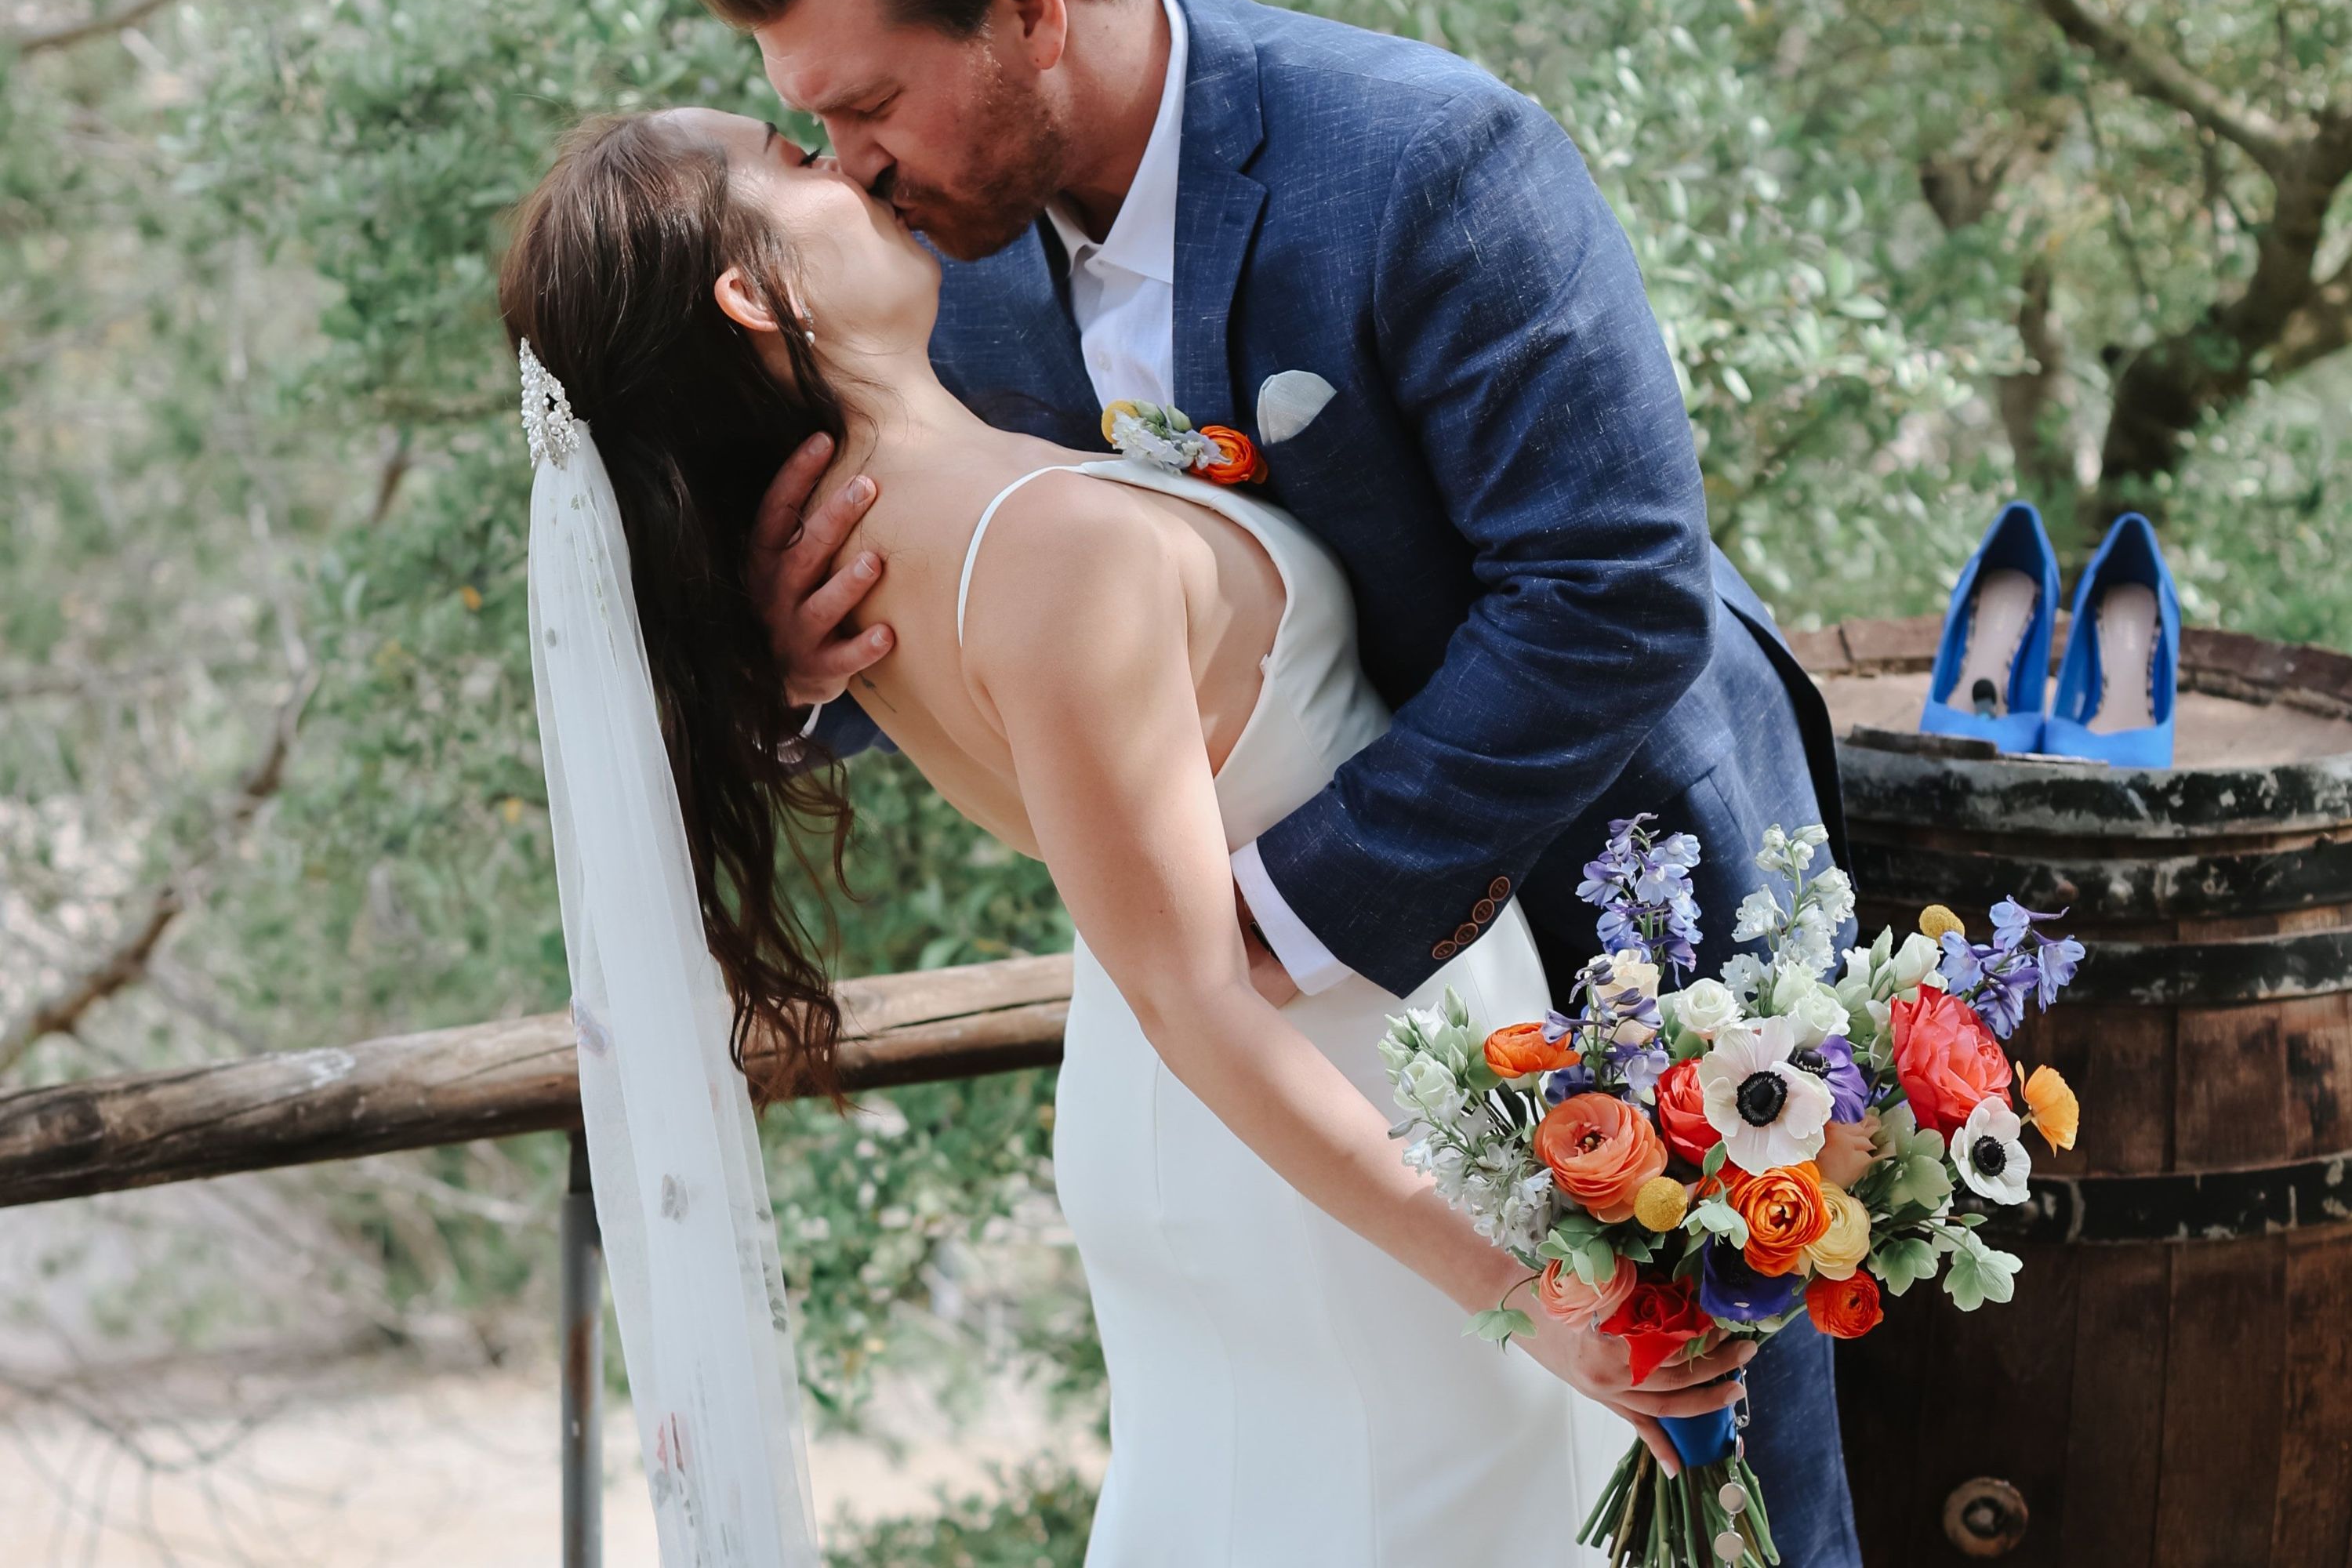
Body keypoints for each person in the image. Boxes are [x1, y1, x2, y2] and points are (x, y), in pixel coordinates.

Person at [666, 0, 1864, 1566]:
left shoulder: (1428, 160)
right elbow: (1002, 622)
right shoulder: (926, 264)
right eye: (813, 129)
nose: (851, 167)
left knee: (1728, 1509)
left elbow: (1613, 594)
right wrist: (792, 672)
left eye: (871, 104)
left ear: (1027, 9)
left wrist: (1270, 927)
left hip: (1625, 927)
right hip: (1239, 1077)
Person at [499, 107, 1733, 1566]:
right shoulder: (1049, 550)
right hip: (1327, 1121)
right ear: (752, 295)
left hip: (1252, 1111)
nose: (851, 162)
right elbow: (1194, 991)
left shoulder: (868, 561)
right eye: (792, 156)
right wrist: (1530, 1298)